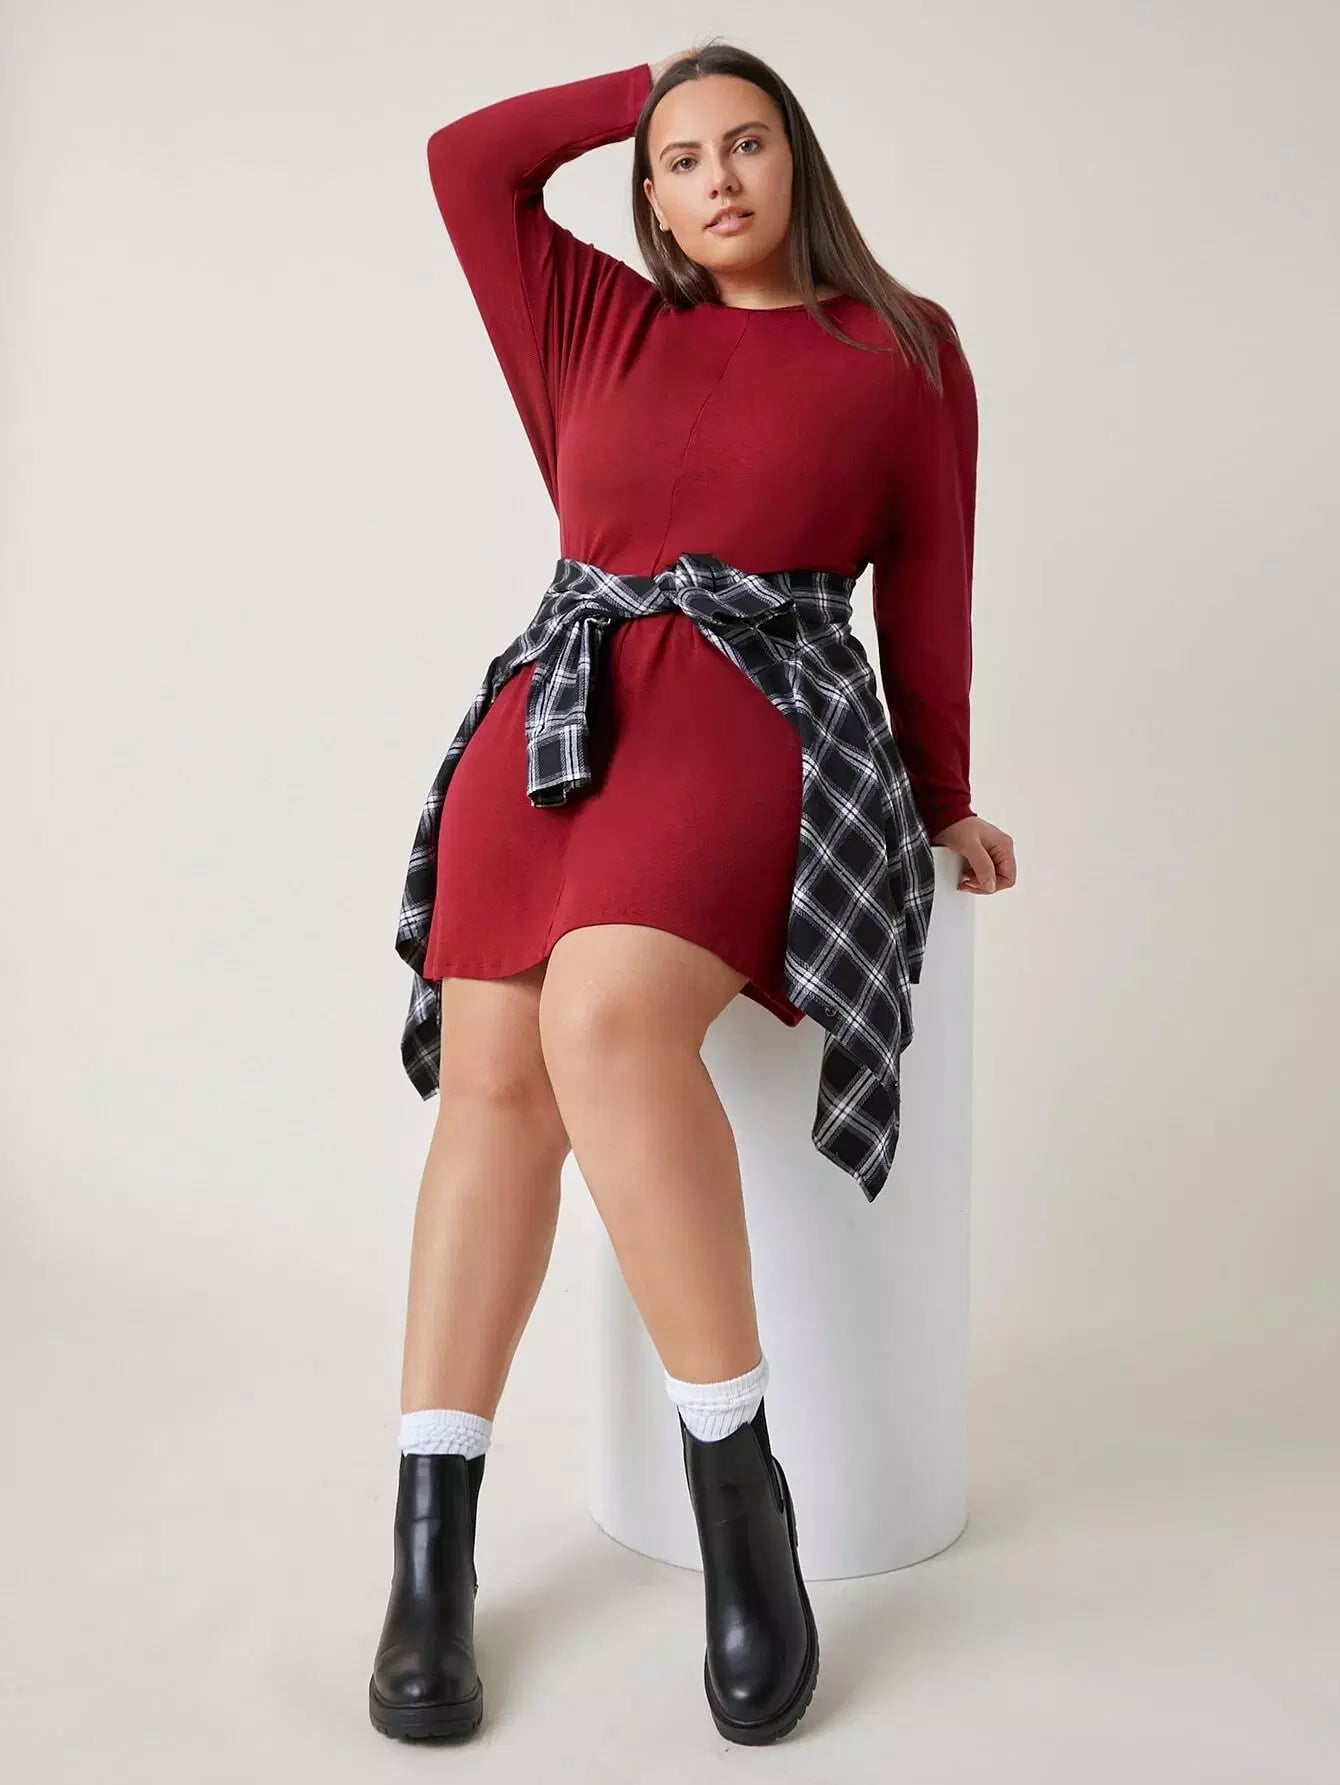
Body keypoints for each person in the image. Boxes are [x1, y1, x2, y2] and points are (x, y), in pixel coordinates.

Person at [369, 40, 1018, 1747]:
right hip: (552, 718)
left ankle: (740, 1492)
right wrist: (642, 84)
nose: (716, 177)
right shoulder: (596, 322)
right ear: (649, 194)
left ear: (797, 160)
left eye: (746, 143)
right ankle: (430, 1558)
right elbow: (465, 160)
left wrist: (943, 796)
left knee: (603, 1018)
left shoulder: (902, 349)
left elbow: (929, 597)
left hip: (755, 709)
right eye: (680, 158)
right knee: (494, 1081)